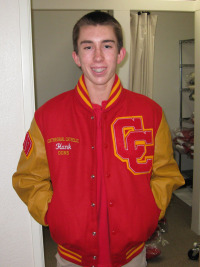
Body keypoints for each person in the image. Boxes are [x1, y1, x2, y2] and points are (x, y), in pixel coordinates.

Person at [12, 11, 185, 267]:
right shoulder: (48, 116)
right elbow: (27, 179)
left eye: (107, 45)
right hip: (72, 257)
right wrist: (54, 213)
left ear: (120, 54)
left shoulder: (150, 113)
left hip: (131, 256)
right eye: (88, 47)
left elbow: (167, 174)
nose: (98, 57)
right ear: (76, 57)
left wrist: (148, 213)